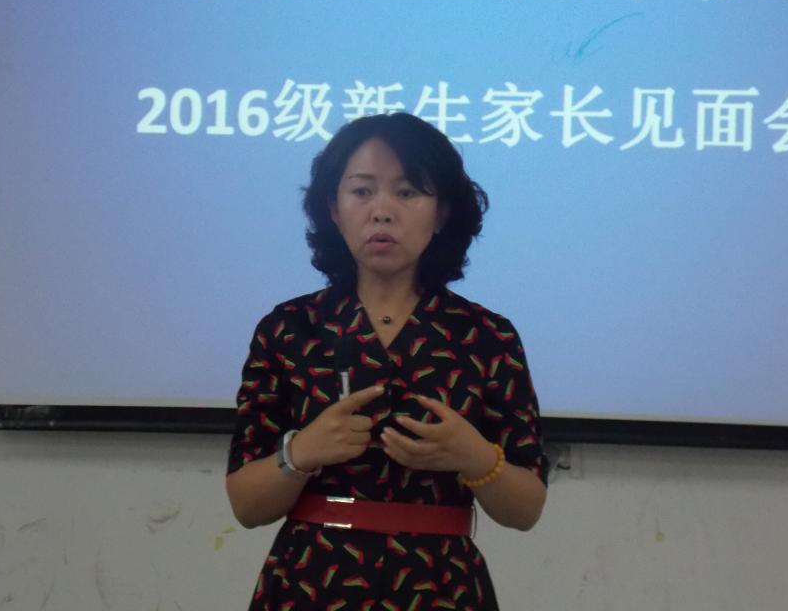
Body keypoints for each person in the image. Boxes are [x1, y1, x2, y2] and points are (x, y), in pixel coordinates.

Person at [226, 112, 548, 610]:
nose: (382, 212)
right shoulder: (289, 328)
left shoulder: (487, 336)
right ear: (333, 209)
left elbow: (526, 510)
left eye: (407, 192)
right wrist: (303, 451)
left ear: (441, 213)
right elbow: (246, 505)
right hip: (311, 581)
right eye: (361, 191)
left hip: (440, 585)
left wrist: (476, 458)